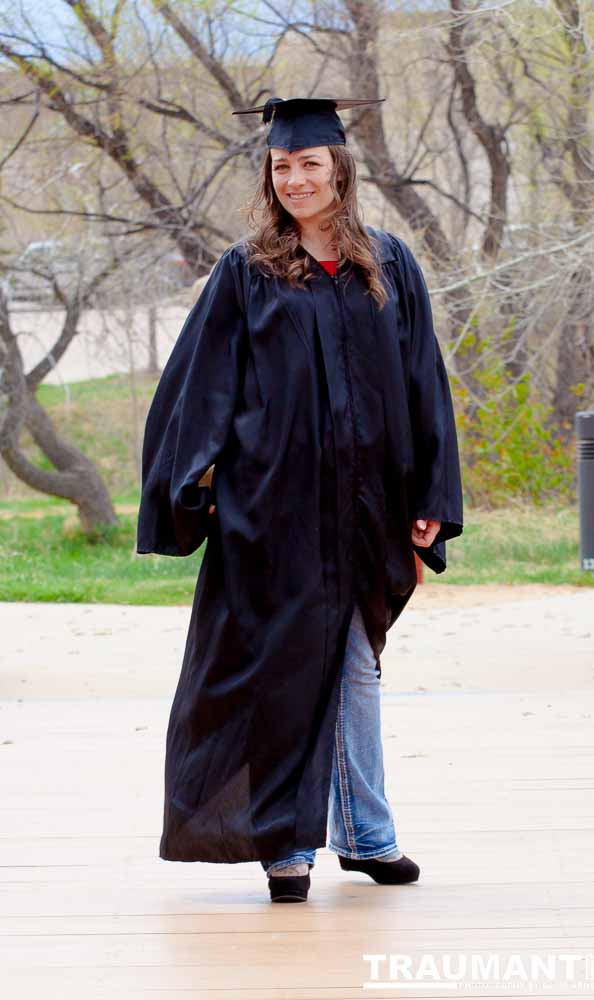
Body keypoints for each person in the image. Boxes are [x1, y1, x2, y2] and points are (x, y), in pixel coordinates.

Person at [136, 95, 464, 904]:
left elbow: (423, 383)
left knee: (355, 667)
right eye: (283, 167)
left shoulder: (386, 263)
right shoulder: (245, 272)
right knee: (282, 671)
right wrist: (195, 489)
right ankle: (285, 845)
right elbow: (198, 389)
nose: (295, 180)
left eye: (309, 164)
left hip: (365, 507)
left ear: (339, 170)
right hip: (273, 510)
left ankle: (365, 834)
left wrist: (428, 494)